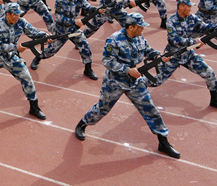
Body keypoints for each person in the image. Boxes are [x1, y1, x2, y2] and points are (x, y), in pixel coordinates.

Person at [73, 13, 180, 159]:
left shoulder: (140, 37)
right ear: (131, 27)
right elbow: (107, 61)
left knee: (150, 109)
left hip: (134, 81)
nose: (143, 29)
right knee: (102, 108)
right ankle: (82, 124)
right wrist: (127, 70)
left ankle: (163, 142)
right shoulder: (114, 40)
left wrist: (157, 56)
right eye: (140, 27)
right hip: (115, 82)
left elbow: (147, 50)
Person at [149, 0, 217, 112]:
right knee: (156, 81)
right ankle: (136, 87)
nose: (190, 9)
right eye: (188, 7)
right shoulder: (171, 21)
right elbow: (175, 40)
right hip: (173, 55)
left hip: (188, 55)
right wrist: (194, 42)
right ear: (181, 7)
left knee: (210, 73)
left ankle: (215, 100)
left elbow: (204, 27)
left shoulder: (191, 17)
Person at [31, 0, 105, 79]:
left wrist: (98, 10)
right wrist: (74, 21)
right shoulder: (60, 1)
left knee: (84, 45)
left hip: (73, 29)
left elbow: (89, 7)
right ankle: (38, 58)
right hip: (61, 31)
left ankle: (88, 69)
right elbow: (59, 18)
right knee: (50, 51)